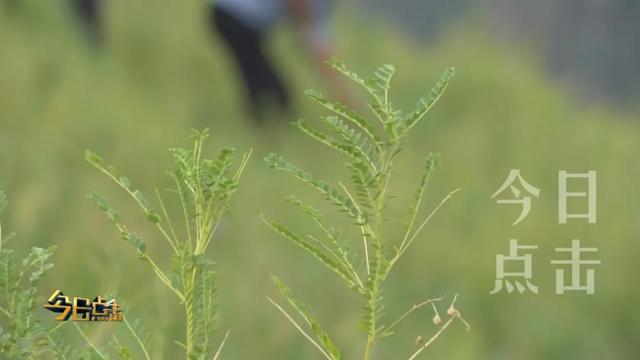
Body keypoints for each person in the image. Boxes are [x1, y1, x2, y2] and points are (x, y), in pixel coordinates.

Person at [210, 0, 337, 123]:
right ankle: (267, 128)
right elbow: (304, 19)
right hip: (237, 15)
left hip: (233, 15)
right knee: (268, 89)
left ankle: (267, 126)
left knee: (260, 80)